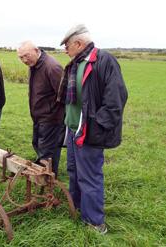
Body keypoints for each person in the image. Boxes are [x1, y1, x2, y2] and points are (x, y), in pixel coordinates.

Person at [57, 24, 128, 233]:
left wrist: (95, 126)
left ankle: (95, 223)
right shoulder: (76, 63)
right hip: (72, 130)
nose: (65, 50)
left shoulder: (104, 61)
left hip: (88, 132)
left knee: (89, 176)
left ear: (79, 44)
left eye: (67, 46)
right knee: (73, 172)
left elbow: (116, 100)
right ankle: (78, 208)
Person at [17, 41, 65, 177]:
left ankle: (49, 178)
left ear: (36, 50)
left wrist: (53, 113)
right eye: (21, 57)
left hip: (51, 118)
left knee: (48, 151)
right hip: (39, 116)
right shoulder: (34, 65)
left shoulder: (52, 67)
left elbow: (64, 95)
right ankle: (43, 170)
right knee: (38, 144)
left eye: (26, 55)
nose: (24, 60)